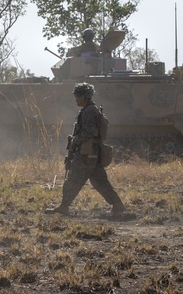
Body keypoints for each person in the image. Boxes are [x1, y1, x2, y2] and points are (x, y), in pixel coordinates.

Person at [52, 82, 128, 217]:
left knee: (74, 178)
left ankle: (64, 206)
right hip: (92, 152)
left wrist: (75, 140)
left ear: (84, 97)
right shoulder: (90, 110)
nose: (76, 99)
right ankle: (118, 205)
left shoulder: (88, 112)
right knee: (99, 180)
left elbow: (90, 131)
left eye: (77, 97)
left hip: (86, 153)